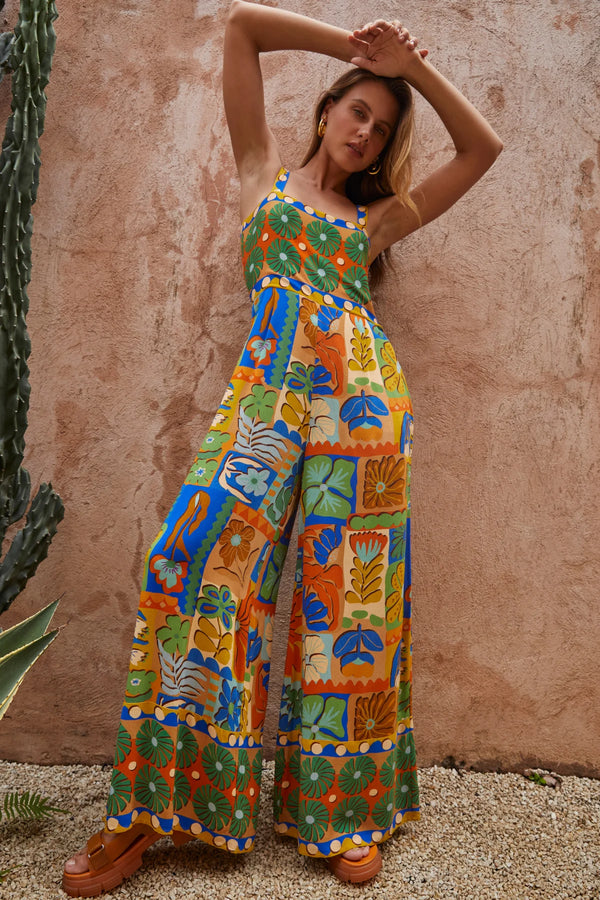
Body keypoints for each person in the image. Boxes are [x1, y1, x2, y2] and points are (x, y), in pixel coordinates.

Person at [63, 1, 502, 894]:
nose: (367, 134)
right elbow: (240, 29)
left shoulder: (373, 222)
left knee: (352, 603)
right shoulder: (263, 173)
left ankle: (342, 814)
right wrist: (358, 47)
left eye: (381, 129)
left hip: (360, 409)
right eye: (358, 111)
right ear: (328, 107)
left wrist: (413, 75)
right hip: (262, 409)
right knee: (185, 565)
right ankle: (149, 813)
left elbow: (483, 149)